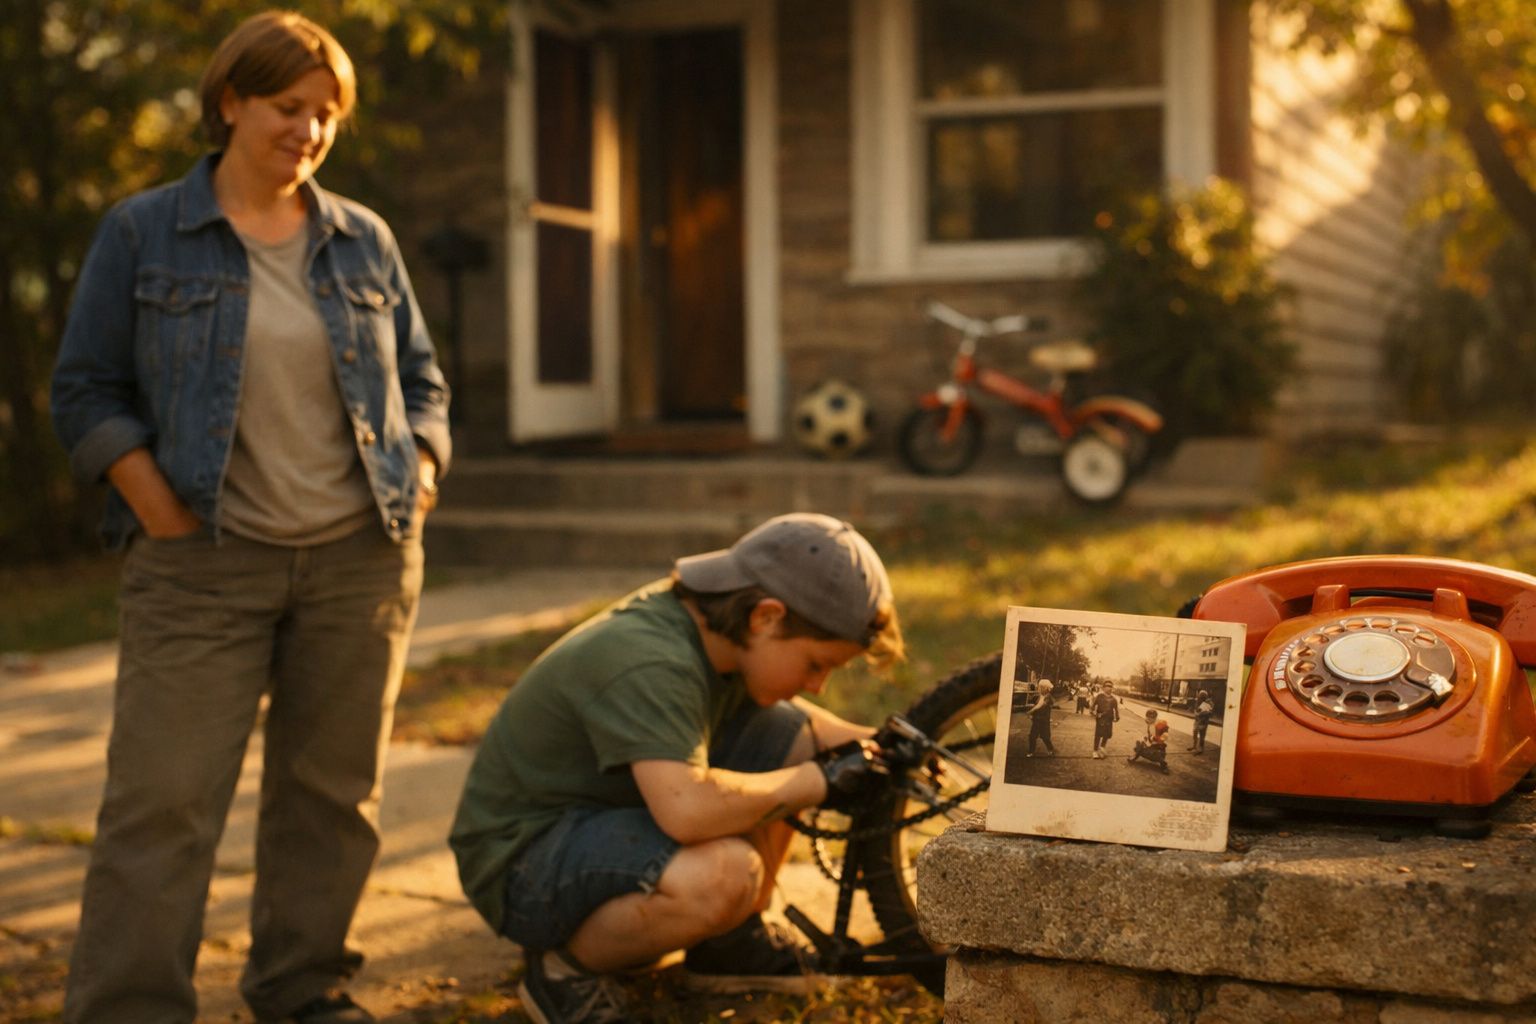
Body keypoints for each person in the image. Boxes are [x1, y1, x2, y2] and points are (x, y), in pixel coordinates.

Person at [50, 12, 450, 1023]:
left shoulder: (365, 239)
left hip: (359, 560)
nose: (309, 131)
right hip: (202, 565)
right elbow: (86, 390)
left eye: (325, 116)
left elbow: (421, 379)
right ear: (229, 101)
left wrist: (428, 466)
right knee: (165, 802)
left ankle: (302, 988)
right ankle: (129, 1005)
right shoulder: (143, 232)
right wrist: (155, 505)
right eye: (288, 107)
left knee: (331, 800)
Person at [450, 514, 904, 1023]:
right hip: (519, 862)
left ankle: (730, 945)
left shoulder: (715, 630)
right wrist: (819, 781)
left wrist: (881, 744)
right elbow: (686, 812)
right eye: (815, 664)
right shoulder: (654, 660)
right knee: (728, 875)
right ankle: (563, 970)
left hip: (594, 825)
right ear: (766, 617)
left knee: (782, 733)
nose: (818, 684)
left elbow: (800, 727)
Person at [1023, 679, 1056, 757]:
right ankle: (1031, 751)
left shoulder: (1048, 697)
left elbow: (1040, 705)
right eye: (1040, 687)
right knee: (1032, 736)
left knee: (1045, 737)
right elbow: (1034, 704)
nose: (1039, 689)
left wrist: (1031, 711)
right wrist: (1032, 714)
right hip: (1036, 720)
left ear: (1046, 688)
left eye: (1041, 687)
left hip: (1044, 720)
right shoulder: (1038, 696)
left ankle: (1051, 749)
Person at [1091, 681, 1119, 759]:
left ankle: (1102, 748)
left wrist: (1117, 717)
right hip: (1100, 718)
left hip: (1109, 719)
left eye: (1111, 687)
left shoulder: (1114, 699)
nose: (1109, 688)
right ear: (1104, 688)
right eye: (1107, 686)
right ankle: (1095, 751)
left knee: (1107, 735)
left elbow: (1116, 709)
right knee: (1098, 734)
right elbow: (1092, 707)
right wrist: (1095, 713)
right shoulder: (1099, 696)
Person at [1189, 689, 1214, 753]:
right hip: (1197, 721)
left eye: (1202, 696)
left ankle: (1201, 748)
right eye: (1200, 696)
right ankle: (1194, 746)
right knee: (1195, 733)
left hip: (1203, 721)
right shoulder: (1198, 702)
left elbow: (1210, 713)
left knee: (1202, 735)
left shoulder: (1209, 703)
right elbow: (1196, 709)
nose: (1200, 697)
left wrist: (1200, 714)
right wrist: (1196, 713)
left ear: (1205, 696)